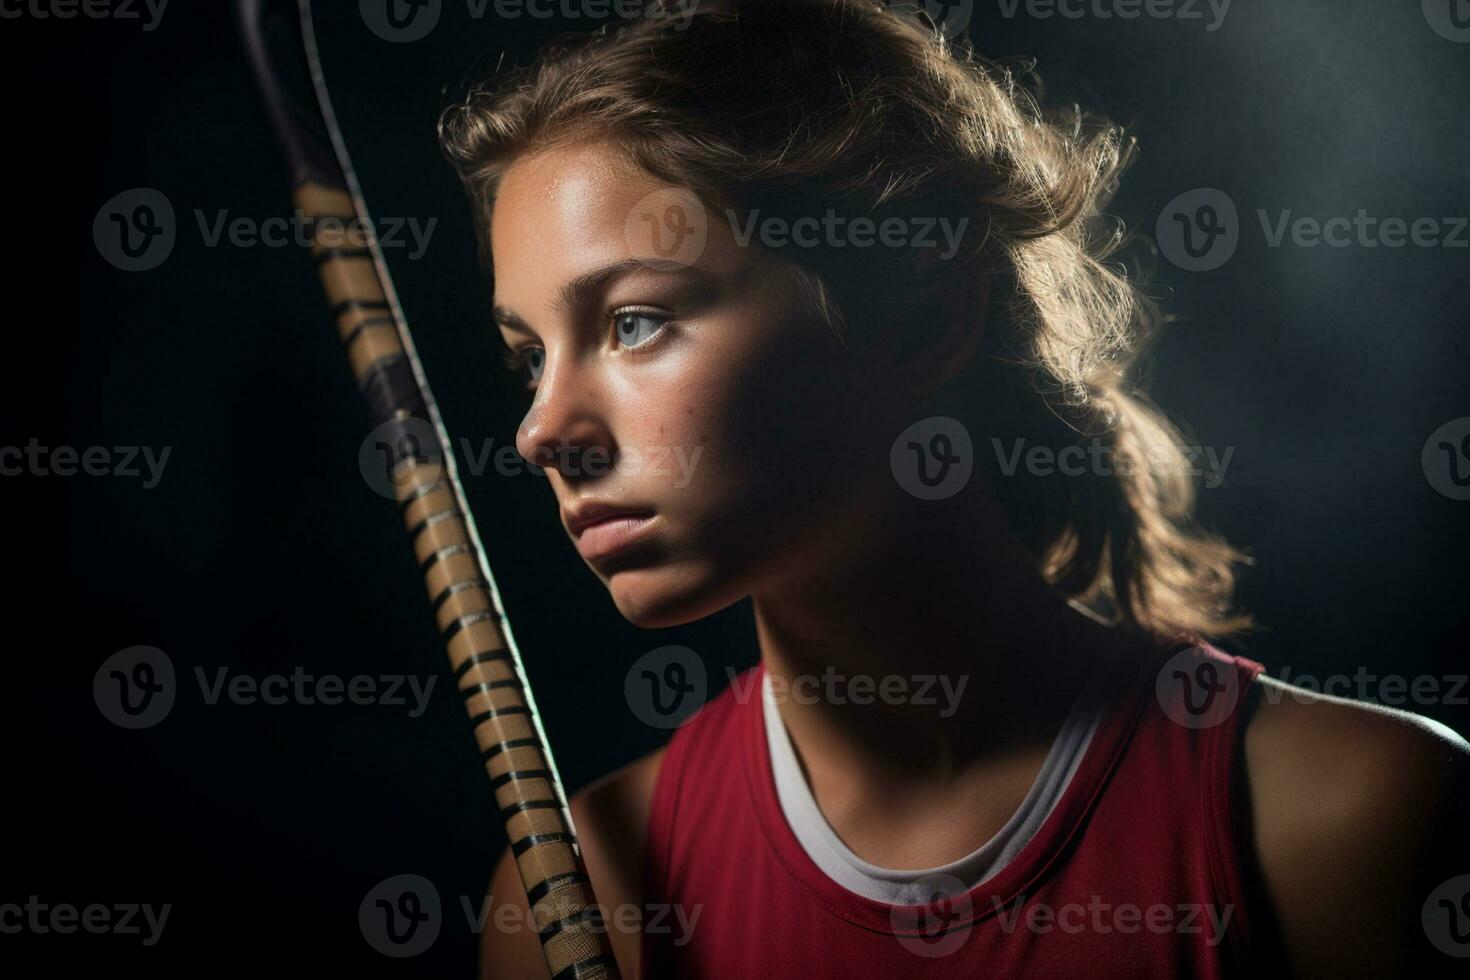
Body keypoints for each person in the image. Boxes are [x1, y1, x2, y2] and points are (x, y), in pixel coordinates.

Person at [436, 1, 1470, 975]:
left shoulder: (1343, 821)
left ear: (925, 320)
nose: (540, 429)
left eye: (633, 321)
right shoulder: (582, 900)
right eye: (531, 355)